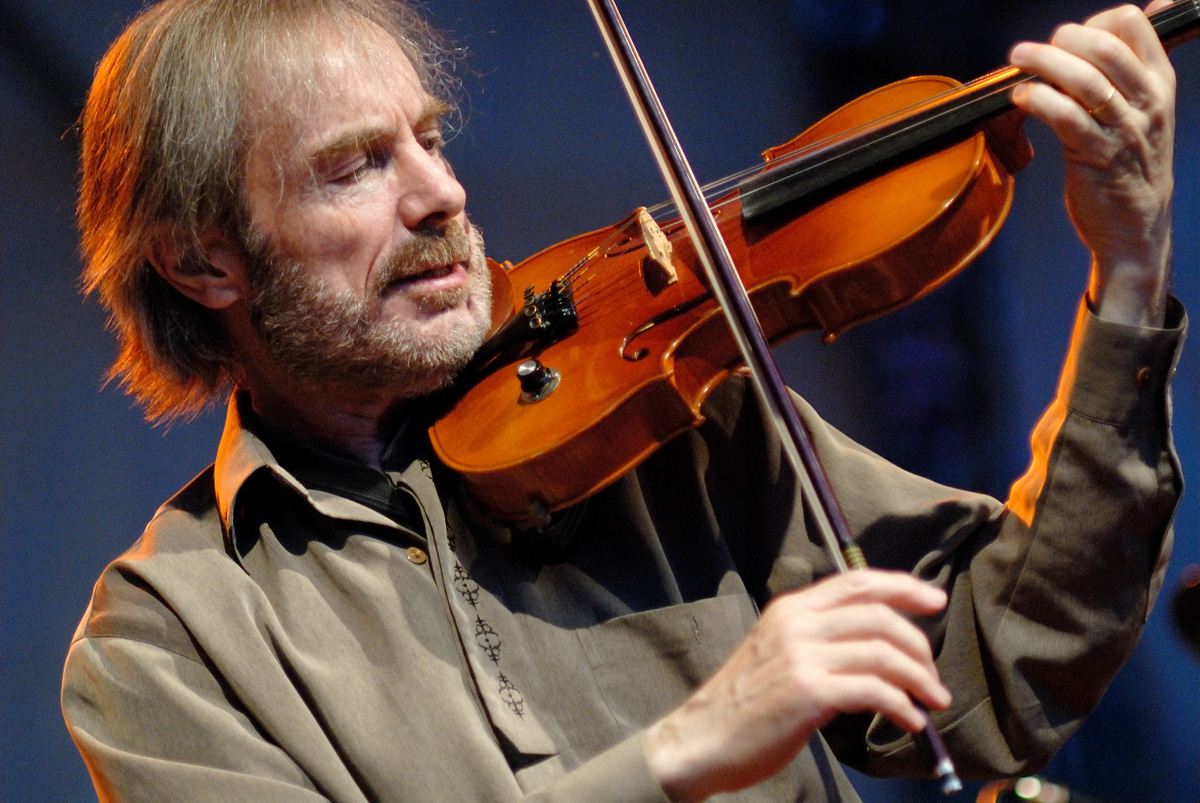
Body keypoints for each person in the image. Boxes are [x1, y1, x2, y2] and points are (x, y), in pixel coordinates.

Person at [62, 1, 1185, 801]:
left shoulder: (666, 417)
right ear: (203, 261)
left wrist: (1128, 275)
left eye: (431, 138)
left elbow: (1003, 662)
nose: (441, 192)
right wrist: (685, 750)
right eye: (357, 166)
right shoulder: (167, 642)